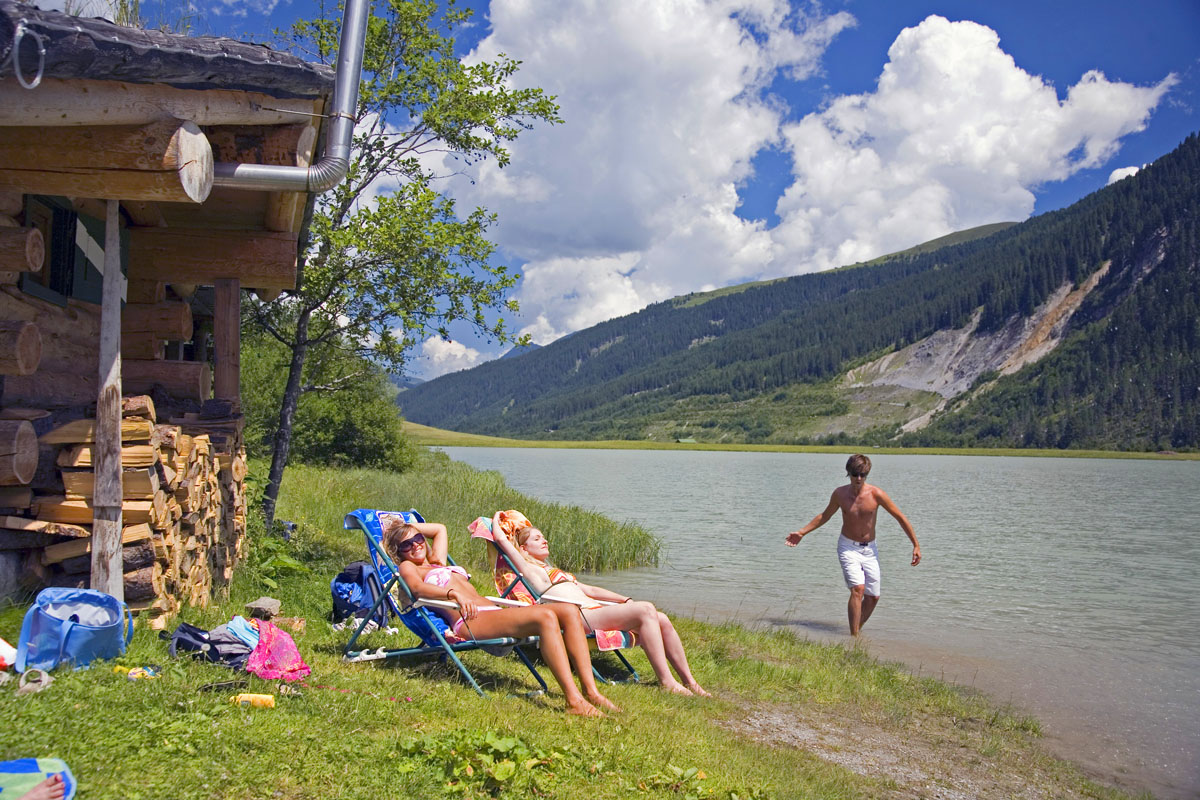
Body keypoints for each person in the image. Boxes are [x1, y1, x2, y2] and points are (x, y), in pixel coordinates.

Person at [384, 520, 619, 717]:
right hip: (470, 622)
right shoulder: (408, 567)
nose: (415, 545)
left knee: (568, 610)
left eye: (418, 540)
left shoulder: (438, 562)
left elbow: (440, 529)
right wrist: (451, 592)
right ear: (398, 551)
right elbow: (416, 589)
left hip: (492, 612)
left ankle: (591, 691)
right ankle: (573, 701)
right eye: (406, 544)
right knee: (546, 616)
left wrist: (402, 525)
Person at [490, 511, 710, 697]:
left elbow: (592, 590)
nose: (544, 540)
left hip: (594, 611)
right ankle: (667, 682)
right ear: (524, 549)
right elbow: (501, 541)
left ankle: (690, 681)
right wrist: (495, 519)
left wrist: (624, 600)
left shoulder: (557, 572)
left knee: (661, 618)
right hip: (578, 617)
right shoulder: (530, 570)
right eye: (537, 539)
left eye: (544, 537)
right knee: (646, 610)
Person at [785, 454, 921, 636]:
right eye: (855, 474)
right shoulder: (840, 494)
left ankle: (855, 631)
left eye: (863, 475)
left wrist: (915, 545)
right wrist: (802, 532)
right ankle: (854, 638)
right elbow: (824, 516)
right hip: (848, 547)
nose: (859, 479)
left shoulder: (876, 494)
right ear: (848, 473)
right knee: (858, 589)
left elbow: (900, 518)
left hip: (870, 549)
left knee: (873, 597)